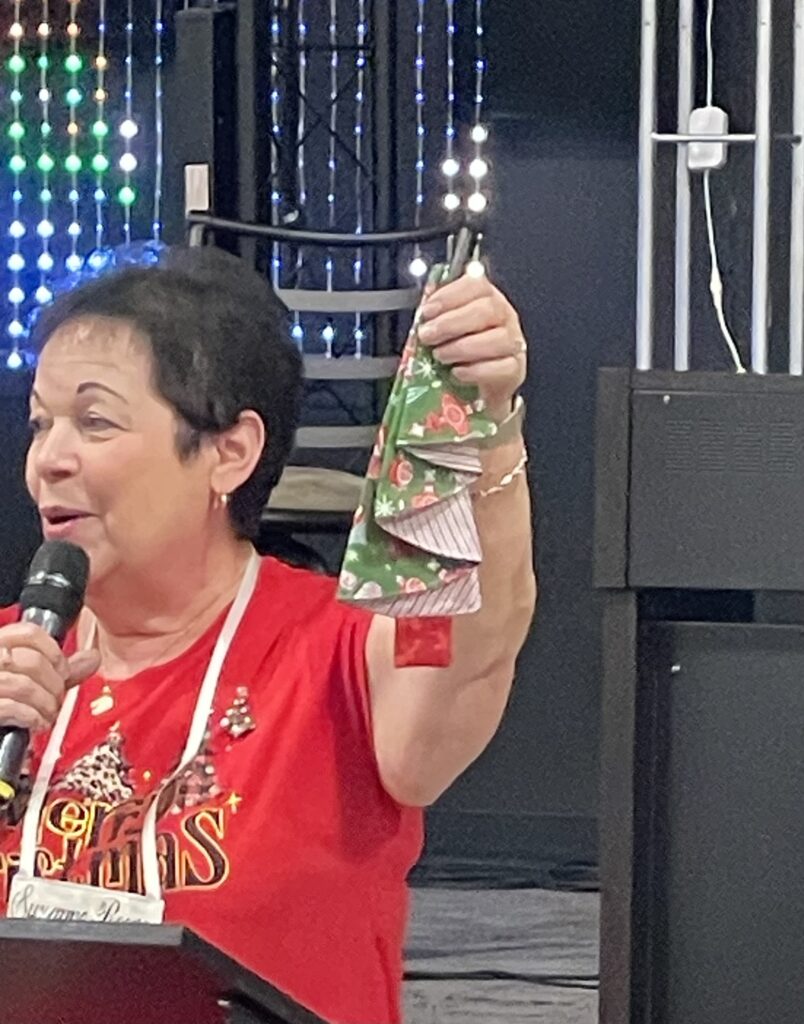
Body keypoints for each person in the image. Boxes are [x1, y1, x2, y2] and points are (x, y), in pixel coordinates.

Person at [0, 246, 535, 1024]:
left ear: (230, 453)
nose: (48, 460)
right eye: (40, 424)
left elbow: (480, 641)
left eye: (94, 422)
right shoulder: (15, 667)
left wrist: (488, 431)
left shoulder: (334, 649)